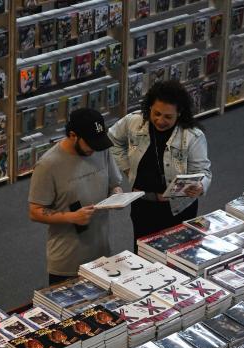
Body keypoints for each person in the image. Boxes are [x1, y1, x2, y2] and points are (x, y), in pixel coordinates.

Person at [108, 80, 212, 248]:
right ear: (149, 107)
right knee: (143, 255)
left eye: (168, 116)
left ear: (179, 113)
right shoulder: (134, 122)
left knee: (177, 257)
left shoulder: (193, 136)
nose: (160, 120)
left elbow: (203, 172)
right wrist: (127, 168)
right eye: (156, 113)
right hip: (142, 205)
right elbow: (112, 139)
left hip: (178, 208)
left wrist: (200, 186)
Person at [28, 108, 122, 284]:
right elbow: (35, 211)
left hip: (102, 251)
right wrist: (72, 217)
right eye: (90, 144)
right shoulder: (48, 165)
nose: (94, 149)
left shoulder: (100, 149)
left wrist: (117, 194)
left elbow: (114, 184)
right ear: (73, 135)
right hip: (67, 260)